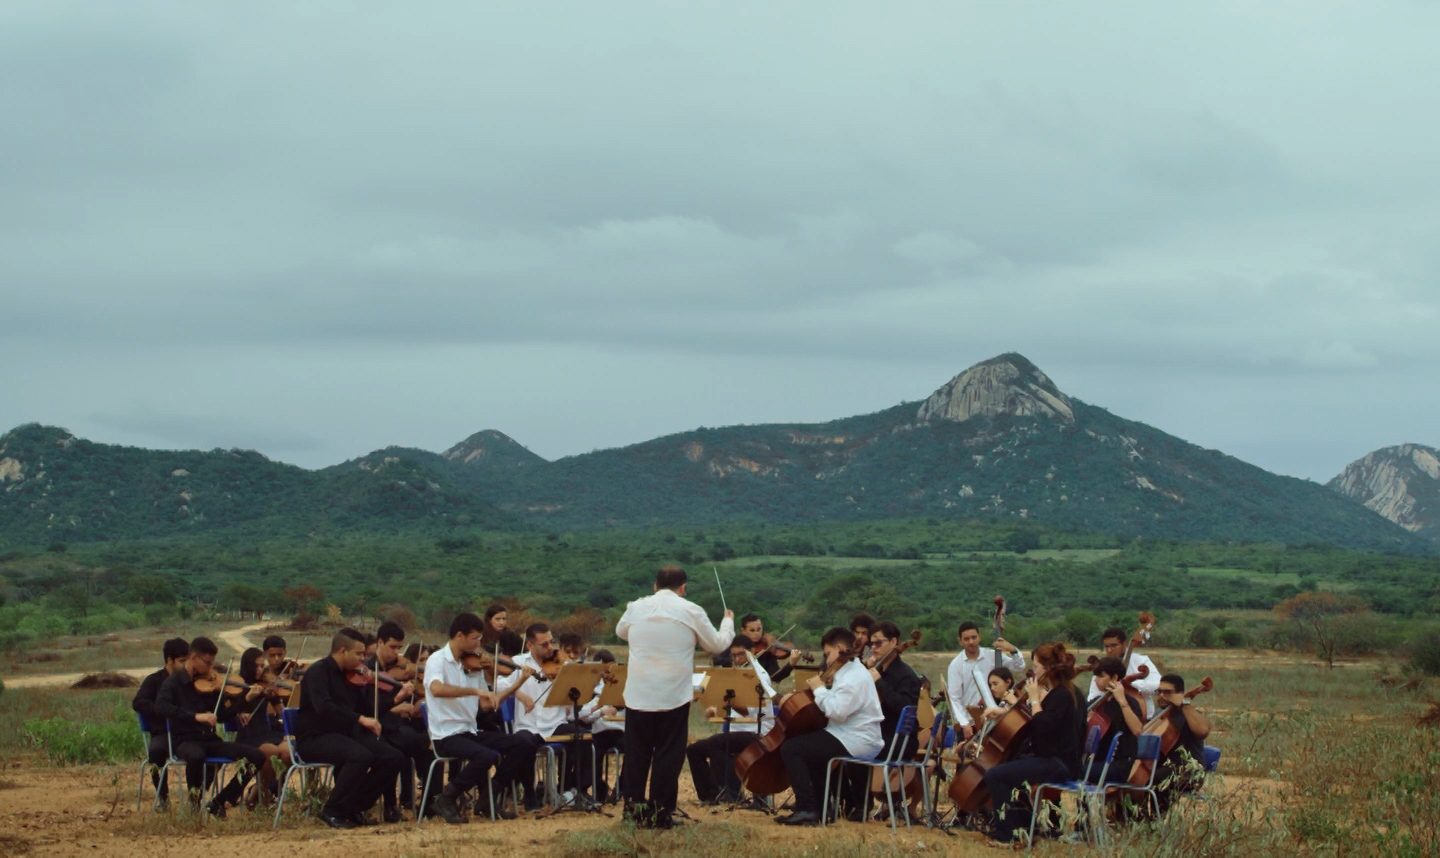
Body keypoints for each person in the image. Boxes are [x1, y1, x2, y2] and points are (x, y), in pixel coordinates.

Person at [615, 564, 734, 829]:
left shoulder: (636, 607)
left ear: (654, 585)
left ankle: (632, 810)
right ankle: (660, 813)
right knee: (668, 755)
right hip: (672, 695)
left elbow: (620, 633)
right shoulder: (691, 610)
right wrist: (727, 622)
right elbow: (716, 644)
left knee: (637, 754)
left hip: (639, 694)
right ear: (683, 588)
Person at [424, 612, 535, 824]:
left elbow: (487, 704)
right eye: (475, 638)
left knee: (522, 743)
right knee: (487, 756)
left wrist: (517, 683)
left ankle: (488, 798)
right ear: (459, 636)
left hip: (470, 731)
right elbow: (436, 689)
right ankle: (446, 798)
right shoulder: (437, 660)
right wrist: (474, 692)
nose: (478, 644)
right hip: (446, 735)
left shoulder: (473, 667)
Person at [774, 627, 883, 827]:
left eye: (828, 654)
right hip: (847, 734)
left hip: (857, 739)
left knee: (792, 749)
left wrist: (819, 689)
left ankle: (807, 808)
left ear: (840, 648)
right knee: (811, 750)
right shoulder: (850, 671)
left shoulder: (853, 677)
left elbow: (837, 711)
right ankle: (821, 810)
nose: (826, 659)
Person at [294, 632, 405, 828]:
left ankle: (354, 806)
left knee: (393, 757)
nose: (363, 659)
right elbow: (324, 708)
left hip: (345, 734)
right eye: (359, 654)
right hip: (315, 737)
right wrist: (360, 719)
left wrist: (395, 698)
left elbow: (366, 709)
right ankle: (332, 810)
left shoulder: (354, 676)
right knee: (360, 756)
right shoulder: (317, 672)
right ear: (342, 650)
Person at [154, 636, 270, 817]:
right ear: (193, 658)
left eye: (212, 663)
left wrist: (244, 700)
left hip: (209, 739)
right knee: (196, 755)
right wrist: (195, 717)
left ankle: (220, 801)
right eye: (207, 663)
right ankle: (194, 805)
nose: (211, 668)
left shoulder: (210, 684)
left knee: (256, 757)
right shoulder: (173, 683)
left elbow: (223, 715)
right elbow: (161, 707)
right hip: (184, 739)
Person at [980, 642, 1082, 847]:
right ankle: (1024, 829)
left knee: (996, 776)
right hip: (1049, 758)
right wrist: (1006, 711)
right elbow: (1033, 721)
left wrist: (1035, 699)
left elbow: (1042, 726)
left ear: (1048, 668)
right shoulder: (1057, 693)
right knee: (1008, 769)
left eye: (1036, 666)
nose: (1033, 670)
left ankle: (1006, 835)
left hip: (1059, 763)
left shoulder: (1061, 695)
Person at [686, 636, 772, 804]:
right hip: (738, 732)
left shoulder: (759, 675)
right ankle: (711, 795)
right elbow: (730, 707)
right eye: (734, 655)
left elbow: (750, 711)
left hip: (758, 732)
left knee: (718, 744)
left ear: (752, 652)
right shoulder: (735, 674)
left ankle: (730, 794)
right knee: (694, 750)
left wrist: (727, 702)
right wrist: (715, 708)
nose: (737, 659)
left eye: (741, 655)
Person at [371, 621, 435, 818]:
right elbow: (370, 704)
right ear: (379, 642)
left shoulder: (395, 666)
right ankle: (391, 805)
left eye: (399, 648)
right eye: (392, 647)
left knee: (430, 747)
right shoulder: (369, 668)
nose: (396, 653)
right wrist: (397, 703)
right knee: (396, 753)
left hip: (394, 726)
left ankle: (429, 802)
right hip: (378, 727)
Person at [864, 621, 923, 821]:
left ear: (894, 642)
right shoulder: (879, 670)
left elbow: (902, 707)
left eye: (878, 643)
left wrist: (878, 681)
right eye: (871, 644)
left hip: (901, 741)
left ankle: (860, 805)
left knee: (849, 749)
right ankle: (858, 804)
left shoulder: (906, 675)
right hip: (882, 735)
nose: (873, 648)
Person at [132, 637, 190, 806]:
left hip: (186, 733)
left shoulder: (189, 680)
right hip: (163, 733)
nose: (186, 665)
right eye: (182, 661)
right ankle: (163, 797)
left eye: (188, 660)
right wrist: (162, 709)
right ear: (169, 660)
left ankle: (198, 796)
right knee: (156, 751)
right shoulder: (154, 680)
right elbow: (138, 702)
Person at [947, 622, 1025, 741]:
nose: (971, 642)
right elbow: (954, 698)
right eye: (966, 639)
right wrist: (964, 723)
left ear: (980, 637)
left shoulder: (992, 655)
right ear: (960, 641)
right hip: (971, 721)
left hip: (996, 719)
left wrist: (1013, 650)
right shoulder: (956, 665)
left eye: (974, 637)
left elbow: (1019, 666)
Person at [232, 646, 291, 803]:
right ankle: (263, 795)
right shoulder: (238, 686)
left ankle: (261, 791)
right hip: (248, 736)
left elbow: (282, 713)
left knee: (287, 753)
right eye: (256, 666)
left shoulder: (264, 686)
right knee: (270, 751)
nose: (259, 670)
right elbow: (230, 711)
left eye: (261, 666)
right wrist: (247, 699)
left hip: (266, 732)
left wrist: (275, 697)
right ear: (247, 666)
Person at [1151, 674, 1211, 811]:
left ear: (1180, 694)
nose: (1161, 695)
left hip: (1189, 771)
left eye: (1167, 692)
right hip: (1166, 768)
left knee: (1151, 777)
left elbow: (1203, 731)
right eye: (1159, 691)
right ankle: (1138, 819)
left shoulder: (1188, 712)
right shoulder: (1161, 714)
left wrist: (1185, 703)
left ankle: (1155, 820)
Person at [1087, 657, 1145, 785]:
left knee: (1079, 771)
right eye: (1095, 676)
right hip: (1097, 761)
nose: (1096, 680)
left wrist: (1122, 701)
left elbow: (1137, 730)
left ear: (1114, 677)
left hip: (1120, 764)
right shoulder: (1097, 702)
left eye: (1101, 676)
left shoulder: (1129, 702)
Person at [578, 649, 625, 803]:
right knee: (593, 754)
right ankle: (598, 789)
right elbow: (583, 715)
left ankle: (621, 788)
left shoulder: (623, 687)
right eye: (605, 671)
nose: (608, 675)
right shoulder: (591, 689)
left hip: (620, 731)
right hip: (599, 732)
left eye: (612, 670)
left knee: (635, 750)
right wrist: (600, 709)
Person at [1086, 628, 1160, 717]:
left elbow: (1157, 685)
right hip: (1110, 718)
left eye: (1114, 645)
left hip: (1142, 716)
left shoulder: (1141, 660)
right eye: (1106, 646)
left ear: (1124, 644)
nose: (1109, 650)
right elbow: (1093, 695)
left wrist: (1129, 684)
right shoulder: (1102, 666)